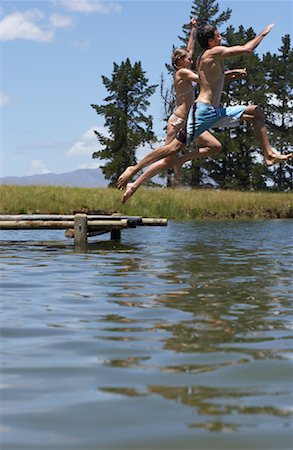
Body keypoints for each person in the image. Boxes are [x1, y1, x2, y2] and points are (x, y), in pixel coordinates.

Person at [117, 22, 292, 196]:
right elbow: (247, 49)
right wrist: (263, 33)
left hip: (214, 112)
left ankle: (269, 155)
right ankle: (133, 170)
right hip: (198, 113)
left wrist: (229, 75)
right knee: (171, 150)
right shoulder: (209, 55)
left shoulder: (207, 59)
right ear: (210, 41)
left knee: (256, 112)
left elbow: (207, 78)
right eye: (218, 35)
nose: (221, 37)